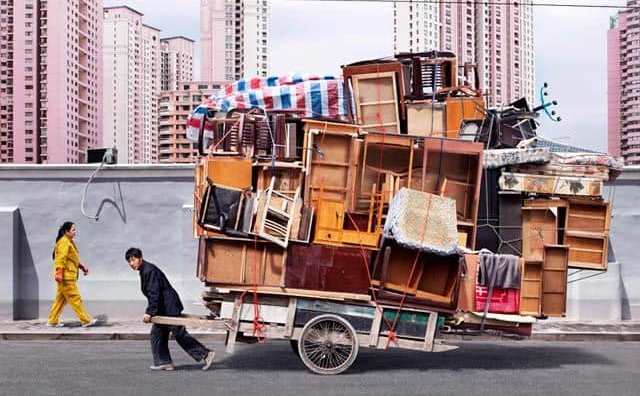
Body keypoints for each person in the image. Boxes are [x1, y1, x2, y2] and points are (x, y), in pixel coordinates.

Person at [126, 247, 215, 371]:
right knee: (157, 334)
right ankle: (164, 362)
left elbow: (154, 293)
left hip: (169, 307)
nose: (131, 263)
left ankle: (205, 354)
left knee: (178, 333)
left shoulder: (148, 270)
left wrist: (149, 312)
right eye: (129, 261)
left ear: (140, 258)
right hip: (163, 308)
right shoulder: (144, 270)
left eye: (133, 260)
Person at [47, 221, 98, 327]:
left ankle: (52, 320)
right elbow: (61, 258)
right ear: (66, 231)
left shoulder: (68, 241)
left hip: (68, 275)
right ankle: (86, 320)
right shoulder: (64, 242)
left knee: (60, 300)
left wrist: (82, 267)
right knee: (75, 298)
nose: (75, 232)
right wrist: (59, 272)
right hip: (66, 277)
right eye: (73, 230)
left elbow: (72, 259)